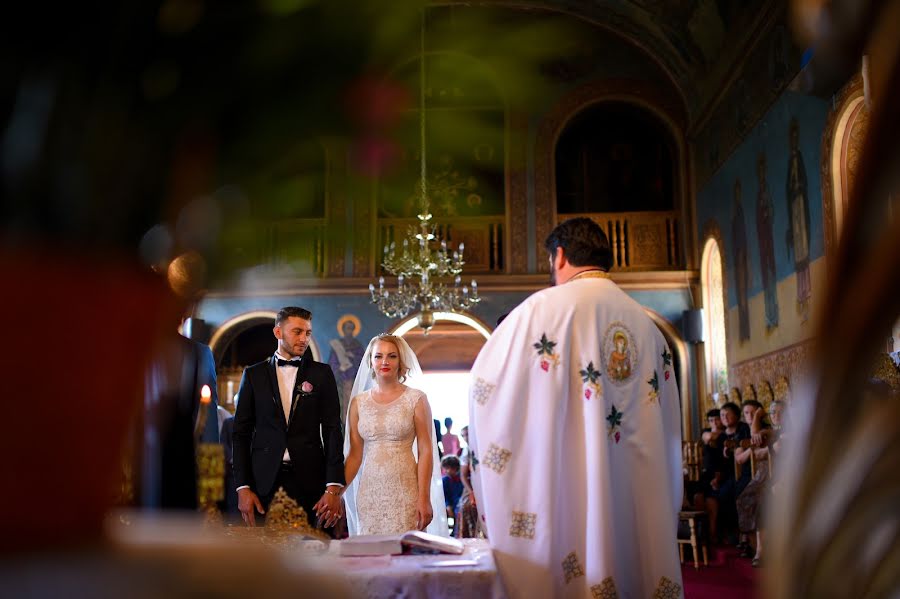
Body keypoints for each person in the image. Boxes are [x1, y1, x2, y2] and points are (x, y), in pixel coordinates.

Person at [469, 217, 683, 598]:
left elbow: (488, 388)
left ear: (560, 255)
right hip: (633, 498)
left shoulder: (539, 312)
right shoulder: (648, 326)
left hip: (566, 493)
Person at [232, 307, 344, 531]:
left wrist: (333, 488)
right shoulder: (253, 375)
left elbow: (333, 430)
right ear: (278, 332)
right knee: (266, 558)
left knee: (313, 554)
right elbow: (241, 434)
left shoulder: (321, 374)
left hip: (312, 482)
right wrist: (243, 487)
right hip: (262, 482)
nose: (304, 339)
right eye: (297, 332)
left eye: (308, 333)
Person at [342, 333, 448, 536]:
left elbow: (426, 451)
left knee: (406, 555)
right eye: (378, 356)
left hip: (405, 489)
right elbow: (355, 455)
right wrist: (336, 493)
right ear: (370, 361)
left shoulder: (416, 399)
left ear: (401, 361)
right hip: (369, 491)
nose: (384, 361)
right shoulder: (358, 402)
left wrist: (424, 498)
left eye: (392, 356)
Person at [441, 455, 464, 535]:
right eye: (446, 468)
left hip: (459, 503)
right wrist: (448, 506)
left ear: (456, 468)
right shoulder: (445, 480)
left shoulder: (461, 479)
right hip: (450, 505)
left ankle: (458, 532)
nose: (448, 471)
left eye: (451, 468)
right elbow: (444, 496)